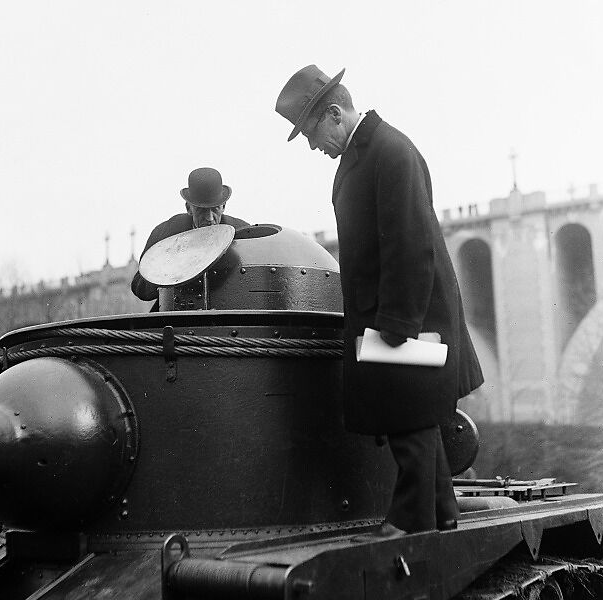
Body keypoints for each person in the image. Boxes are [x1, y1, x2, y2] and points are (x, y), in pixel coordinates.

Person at [275, 65, 484, 536]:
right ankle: (441, 511)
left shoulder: (388, 150)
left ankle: (410, 520)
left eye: (311, 135)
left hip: (407, 315)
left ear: (334, 114)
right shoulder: (368, 153)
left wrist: (394, 325)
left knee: (409, 417)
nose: (314, 147)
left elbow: (410, 244)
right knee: (414, 420)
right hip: (395, 311)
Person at [131, 167, 249, 303]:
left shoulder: (243, 233)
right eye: (202, 211)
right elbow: (139, 288)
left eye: (215, 209)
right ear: (188, 208)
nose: (210, 218)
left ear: (223, 207)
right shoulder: (166, 233)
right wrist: (168, 268)